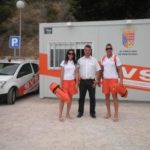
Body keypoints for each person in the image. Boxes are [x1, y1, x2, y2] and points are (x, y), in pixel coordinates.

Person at [99, 43, 123, 122]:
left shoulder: (116, 58)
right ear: (105, 50)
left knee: (115, 97)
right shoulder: (103, 58)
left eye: (110, 48)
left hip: (113, 80)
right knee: (106, 97)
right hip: (105, 80)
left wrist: (121, 82)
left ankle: (116, 114)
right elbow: (101, 70)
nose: (108, 50)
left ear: (112, 49)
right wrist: (99, 80)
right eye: (107, 48)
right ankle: (109, 113)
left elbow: (120, 70)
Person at [77, 45, 101, 118]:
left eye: (89, 50)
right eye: (86, 50)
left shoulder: (94, 60)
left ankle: (92, 112)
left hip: (92, 81)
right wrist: (78, 80)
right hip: (82, 81)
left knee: (92, 98)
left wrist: (96, 81)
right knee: (81, 98)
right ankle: (80, 112)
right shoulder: (80, 60)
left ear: (91, 51)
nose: (87, 51)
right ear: (84, 51)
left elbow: (98, 71)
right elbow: (77, 71)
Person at [59, 49, 78, 121]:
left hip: (72, 82)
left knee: (69, 99)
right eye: (69, 53)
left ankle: (67, 114)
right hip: (65, 82)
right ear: (67, 54)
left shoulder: (75, 63)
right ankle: (60, 114)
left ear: (74, 55)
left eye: (72, 54)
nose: (71, 55)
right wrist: (61, 83)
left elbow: (76, 73)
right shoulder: (63, 62)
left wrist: (76, 84)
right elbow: (61, 73)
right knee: (62, 99)